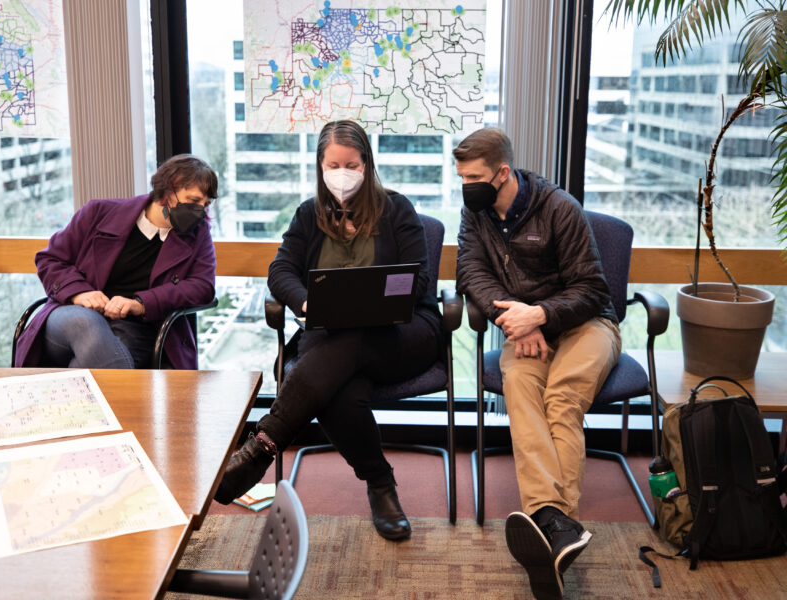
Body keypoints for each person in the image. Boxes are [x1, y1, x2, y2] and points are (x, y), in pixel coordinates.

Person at [214, 120, 442, 541]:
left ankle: (264, 443)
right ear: (320, 165)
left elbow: (420, 282)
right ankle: (381, 485)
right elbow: (280, 270)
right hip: (332, 337)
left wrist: (376, 300)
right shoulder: (308, 215)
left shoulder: (398, 210)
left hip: (403, 333)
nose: (343, 172)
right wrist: (306, 303)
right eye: (333, 164)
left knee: (340, 352)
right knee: (340, 389)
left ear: (367, 164)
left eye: (351, 164)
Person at [454, 128, 621, 599]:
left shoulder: (558, 207)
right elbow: (471, 272)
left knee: (562, 398)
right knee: (522, 393)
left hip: (587, 325)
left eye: (474, 177)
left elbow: (593, 290)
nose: (467, 187)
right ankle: (557, 527)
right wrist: (515, 318)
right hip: (523, 331)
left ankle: (551, 522)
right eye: (462, 177)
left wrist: (541, 314)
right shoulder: (478, 214)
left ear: (503, 173)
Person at [14, 154, 217, 370]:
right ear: (167, 191)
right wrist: (79, 293)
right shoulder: (98, 212)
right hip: (72, 317)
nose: (200, 211)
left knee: (102, 360)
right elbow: (50, 259)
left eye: (206, 204)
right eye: (194, 201)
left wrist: (141, 304)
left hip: (137, 328)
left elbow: (202, 286)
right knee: (86, 324)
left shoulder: (199, 233)